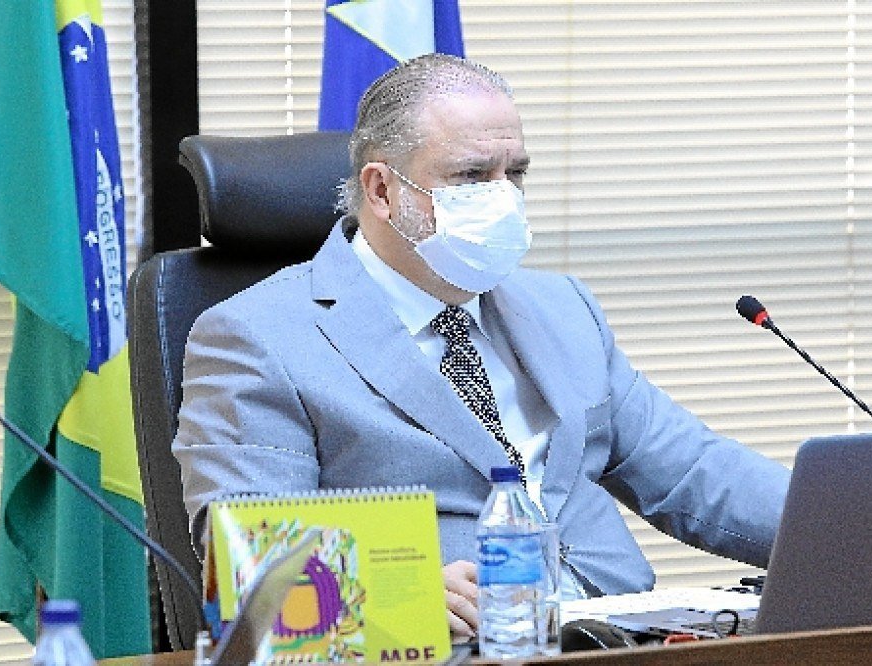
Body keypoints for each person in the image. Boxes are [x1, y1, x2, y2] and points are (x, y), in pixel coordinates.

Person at [172, 53, 790, 641]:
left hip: (618, 636)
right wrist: (398, 593)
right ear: (382, 191)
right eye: (471, 176)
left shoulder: (561, 306)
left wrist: (842, 522)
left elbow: (692, 471)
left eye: (514, 173)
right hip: (442, 648)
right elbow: (260, 568)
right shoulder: (257, 338)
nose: (503, 198)